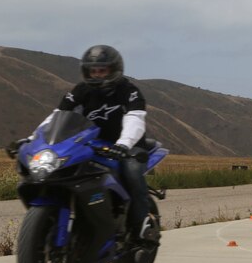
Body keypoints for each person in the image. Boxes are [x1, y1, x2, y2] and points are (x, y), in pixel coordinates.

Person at [8, 45, 158, 246]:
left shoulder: (129, 91)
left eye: (102, 70)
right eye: (93, 71)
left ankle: (141, 226)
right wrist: (31, 139)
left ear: (114, 70)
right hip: (91, 143)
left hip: (126, 147)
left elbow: (135, 119)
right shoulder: (81, 90)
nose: (97, 75)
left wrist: (123, 144)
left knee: (131, 172)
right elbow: (56, 116)